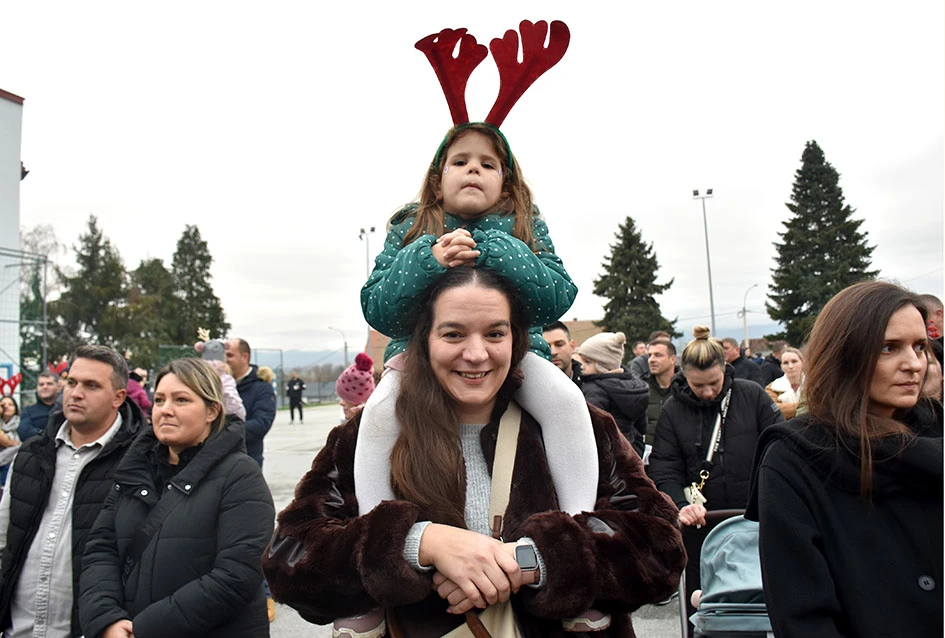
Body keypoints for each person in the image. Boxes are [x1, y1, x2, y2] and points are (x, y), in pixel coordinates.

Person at [263, 267, 686, 636]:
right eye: (453, 333)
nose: (476, 353)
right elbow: (290, 559)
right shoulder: (368, 433)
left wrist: (532, 560)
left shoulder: (581, 426)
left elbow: (660, 549)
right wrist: (418, 544)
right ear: (422, 343)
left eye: (495, 333)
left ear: (517, 340)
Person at [357, 121, 597, 519]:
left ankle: (578, 520)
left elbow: (557, 297)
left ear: (506, 183)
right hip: (417, 360)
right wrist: (426, 260)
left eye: (488, 164)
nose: (474, 170)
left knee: (566, 400)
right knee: (379, 412)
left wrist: (499, 251)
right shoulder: (411, 227)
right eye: (461, 161)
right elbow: (379, 310)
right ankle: (376, 523)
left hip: (515, 357)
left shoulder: (525, 226)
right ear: (437, 181)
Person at [746, 280, 943, 637]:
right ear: (845, 353)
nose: (914, 364)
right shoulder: (794, 458)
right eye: (888, 348)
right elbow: (802, 616)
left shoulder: (936, 432)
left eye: (920, 347)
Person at [79, 358, 275, 638]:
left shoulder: (240, 475)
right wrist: (107, 619)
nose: (165, 410)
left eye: (181, 400)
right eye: (159, 400)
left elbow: (237, 575)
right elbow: (101, 549)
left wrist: (145, 629)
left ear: (212, 411)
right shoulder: (134, 472)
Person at [0, 345, 146, 637]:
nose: (76, 393)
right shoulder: (32, 454)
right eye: (71, 382)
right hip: (20, 629)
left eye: (91, 386)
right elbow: (5, 537)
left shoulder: (143, 461)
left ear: (119, 397)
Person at [648, 326, 783, 636]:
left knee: (764, 599)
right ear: (684, 376)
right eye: (698, 385)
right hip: (702, 527)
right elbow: (665, 466)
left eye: (713, 383)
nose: (707, 392)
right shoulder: (672, 409)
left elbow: (778, 447)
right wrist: (681, 505)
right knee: (705, 601)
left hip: (755, 518)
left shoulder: (751, 395)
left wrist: (770, 495)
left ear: (725, 370)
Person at [575, 332, 649, 457]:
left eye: (587, 362)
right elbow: (642, 427)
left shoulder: (594, 389)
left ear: (602, 365)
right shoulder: (636, 387)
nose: (582, 366)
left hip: (603, 455)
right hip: (629, 450)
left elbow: (589, 428)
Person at [225, 338, 276, 467]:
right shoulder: (217, 386)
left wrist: (221, 433)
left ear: (245, 357)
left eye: (230, 355)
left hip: (247, 463)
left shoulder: (262, 388)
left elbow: (261, 424)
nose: (225, 360)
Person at [642, 338, 677, 448]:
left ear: (673, 359)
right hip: (648, 453)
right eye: (650, 355)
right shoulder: (641, 388)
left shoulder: (686, 388)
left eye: (658, 355)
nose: (651, 360)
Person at [764, 346, 804, 419]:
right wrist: (804, 406)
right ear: (781, 366)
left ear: (802, 363)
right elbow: (774, 409)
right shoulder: (772, 388)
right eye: (786, 363)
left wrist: (786, 408)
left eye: (794, 361)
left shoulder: (815, 384)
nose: (790, 366)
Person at [17, 370, 58, 441]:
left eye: (49, 384)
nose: (45, 387)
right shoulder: (28, 411)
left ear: (57, 386)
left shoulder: (64, 409)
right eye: (41, 384)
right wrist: (44, 434)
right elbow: (23, 432)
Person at [336, 353, 376, 422]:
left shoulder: (368, 427)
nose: (341, 403)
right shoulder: (347, 424)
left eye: (346, 398)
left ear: (360, 401)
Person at [0, 397, 20, 486]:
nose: (6, 407)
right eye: (3, 405)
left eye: (10, 404)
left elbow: (19, 447)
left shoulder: (21, 424)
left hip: (11, 465)